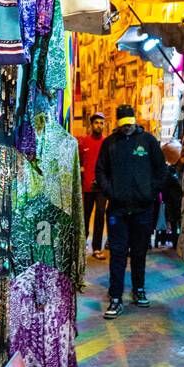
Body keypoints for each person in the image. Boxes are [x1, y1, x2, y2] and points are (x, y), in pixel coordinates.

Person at [94, 104, 168, 318]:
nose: (127, 128)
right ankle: (116, 297)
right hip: (117, 209)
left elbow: (161, 170)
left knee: (138, 252)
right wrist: (111, 192)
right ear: (118, 124)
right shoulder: (110, 144)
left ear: (135, 121)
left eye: (130, 124)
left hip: (143, 209)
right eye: (123, 125)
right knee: (117, 253)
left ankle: (138, 289)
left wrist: (150, 193)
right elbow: (101, 171)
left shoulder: (148, 142)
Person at [77, 111, 107, 260]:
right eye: (97, 122)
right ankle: (82, 244)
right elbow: (78, 163)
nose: (99, 125)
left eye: (102, 123)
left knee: (100, 216)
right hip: (87, 186)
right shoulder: (83, 142)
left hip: (102, 187)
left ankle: (97, 247)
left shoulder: (106, 143)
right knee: (86, 216)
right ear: (92, 124)